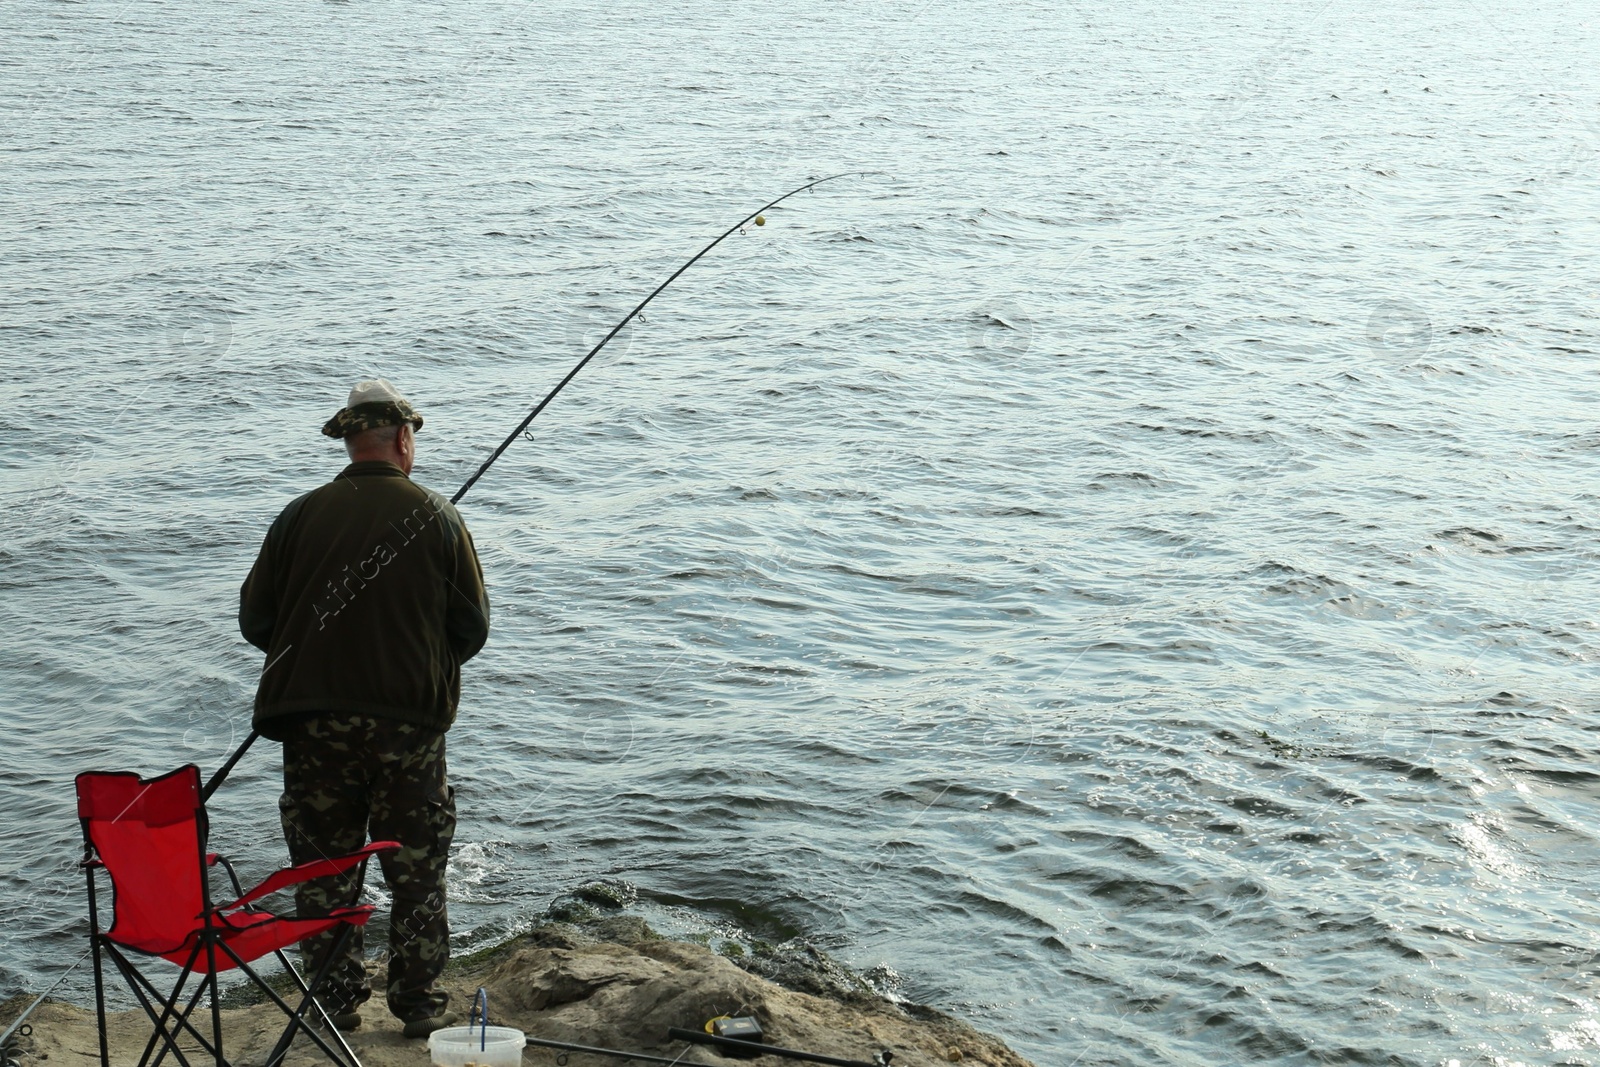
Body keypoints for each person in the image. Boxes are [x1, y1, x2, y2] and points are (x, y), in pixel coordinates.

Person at [238, 378, 491, 1038]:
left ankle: (334, 1002)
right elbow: (472, 626)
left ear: (351, 441)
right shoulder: (438, 515)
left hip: (312, 724)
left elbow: (257, 619)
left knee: (325, 870)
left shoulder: (297, 515)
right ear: (403, 440)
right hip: (409, 728)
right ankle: (417, 1006)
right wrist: (415, 661)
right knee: (417, 869)